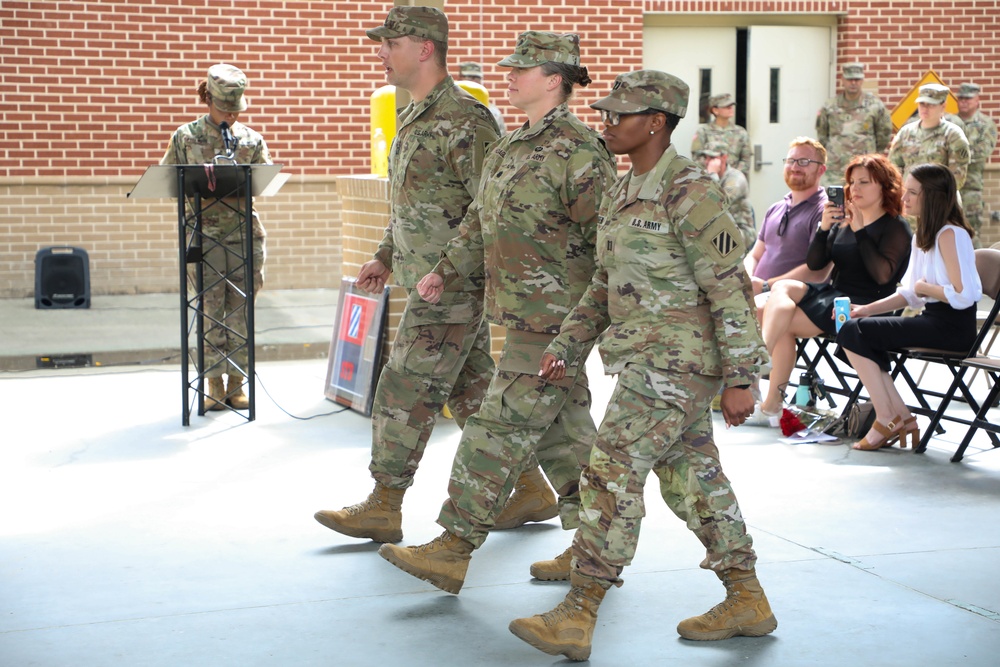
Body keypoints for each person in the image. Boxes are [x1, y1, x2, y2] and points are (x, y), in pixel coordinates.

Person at [507, 70, 774, 662]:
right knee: (691, 479)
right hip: (643, 361)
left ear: (656, 122)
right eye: (607, 112)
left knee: (611, 470)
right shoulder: (624, 191)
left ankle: (579, 613)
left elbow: (731, 288)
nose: (609, 122)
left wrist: (739, 377)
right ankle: (746, 597)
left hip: (679, 364)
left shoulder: (691, 191)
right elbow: (605, 283)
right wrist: (569, 344)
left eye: (621, 114)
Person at [376, 31, 617, 594]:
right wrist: (444, 270)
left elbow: (609, 243)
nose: (508, 76)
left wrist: (592, 325)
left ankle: (454, 547)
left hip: (557, 322)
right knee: (565, 437)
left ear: (554, 80)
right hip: (522, 315)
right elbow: (479, 222)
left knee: (493, 429)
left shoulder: (579, 151)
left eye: (522, 70)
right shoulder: (512, 146)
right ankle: (594, 549)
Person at [313, 7, 552, 544]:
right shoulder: (414, 113)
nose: (380, 52)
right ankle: (530, 488)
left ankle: (384, 503)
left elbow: (487, 208)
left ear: (424, 47)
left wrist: (448, 271)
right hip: (425, 277)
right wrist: (384, 254)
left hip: (453, 286)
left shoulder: (468, 119)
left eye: (389, 43)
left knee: (402, 387)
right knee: (471, 391)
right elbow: (411, 204)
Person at [755, 154, 912, 419]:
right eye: (852, 182)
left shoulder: (895, 226)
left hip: (863, 304)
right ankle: (763, 375)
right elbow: (816, 264)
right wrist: (824, 229)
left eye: (864, 182)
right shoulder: (845, 221)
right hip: (832, 296)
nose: (855, 189)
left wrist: (861, 231)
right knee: (780, 292)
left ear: (884, 186)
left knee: (775, 315)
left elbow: (882, 276)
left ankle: (767, 393)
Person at [837, 163, 982, 450]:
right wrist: (865, 309)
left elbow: (966, 294)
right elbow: (909, 294)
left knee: (853, 335)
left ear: (933, 197)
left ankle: (890, 416)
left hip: (953, 328)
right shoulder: (923, 236)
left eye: (913, 193)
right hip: (932, 320)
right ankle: (898, 415)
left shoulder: (951, 235)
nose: (904, 199)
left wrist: (926, 288)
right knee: (851, 329)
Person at [161, 64, 271, 410]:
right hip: (204, 238)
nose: (231, 115)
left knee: (239, 312)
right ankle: (212, 384)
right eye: (225, 109)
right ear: (208, 99)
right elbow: (167, 181)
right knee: (210, 313)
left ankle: (237, 385)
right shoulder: (185, 136)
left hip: (243, 236)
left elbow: (264, 181)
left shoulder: (251, 139)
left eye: (236, 110)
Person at [744, 138, 831, 301]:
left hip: (788, 300)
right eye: (790, 161)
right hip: (756, 294)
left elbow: (817, 271)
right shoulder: (775, 208)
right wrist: (747, 280)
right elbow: (755, 255)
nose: (795, 167)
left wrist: (766, 286)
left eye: (804, 161)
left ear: (821, 170)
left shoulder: (824, 211)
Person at [816, 62, 893, 186]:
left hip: (865, 168)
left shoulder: (875, 105)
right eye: (849, 79)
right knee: (833, 203)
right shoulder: (829, 106)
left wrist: (872, 154)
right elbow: (822, 135)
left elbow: (883, 134)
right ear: (843, 80)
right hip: (835, 171)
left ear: (862, 80)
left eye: (857, 79)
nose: (853, 82)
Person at [889, 83, 971, 191]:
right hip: (909, 199)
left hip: (940, 199)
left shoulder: (953, 135)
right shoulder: (905, 133)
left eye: (931, 104)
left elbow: (957, 177)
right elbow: (894, 169)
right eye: (922, 104)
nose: (925, 108)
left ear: (943, 106)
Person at [954, 83, 998, 245]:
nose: (964, 102)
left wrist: (955, 156)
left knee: (971, 232)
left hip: (971, 187)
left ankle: (975, 268)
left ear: (977, 100)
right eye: (961, 98)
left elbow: (982, 152)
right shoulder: (950, 121)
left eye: (968, 98)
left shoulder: (985, 124)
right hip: (950, 186)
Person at [696, 141, 755, 249]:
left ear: (724, 158)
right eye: (706, 157)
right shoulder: (705, 175)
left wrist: (712, 175)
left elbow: (718, 205)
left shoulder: (736, 179)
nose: (707, 162)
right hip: (716, 228)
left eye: (712, 158)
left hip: (739, 230)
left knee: (712, 245)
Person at [691, 93, 752, 177]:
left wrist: (734, 175)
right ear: (715, 110)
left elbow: (746, 159)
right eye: (726, 106)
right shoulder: (703, 132)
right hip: (709, 180)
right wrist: (712, 171)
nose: (730, 108)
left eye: (731, 106)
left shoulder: (741, 132)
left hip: (734, 182)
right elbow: (696, 158)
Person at [458, 61, 507, 134]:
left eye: (476, 78)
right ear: (461, 79)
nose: (472, 82)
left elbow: (501, 139)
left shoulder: (492, 111)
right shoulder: (448, 107)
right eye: (468, 77)